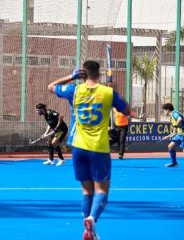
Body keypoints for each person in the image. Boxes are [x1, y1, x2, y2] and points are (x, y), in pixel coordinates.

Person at [48, 60, 130, 240]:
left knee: (86, 190)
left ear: (82, 73)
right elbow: (127, 109)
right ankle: (92, 219)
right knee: (102, 190)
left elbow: (51, 86)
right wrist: (115, 90)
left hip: (79, 147)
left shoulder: (74, 90)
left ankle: (88, 228)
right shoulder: (108, 92)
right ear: (99, 74)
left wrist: (71, 77)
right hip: (99, 148)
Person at [162, 102, 184, 171]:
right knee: (170, 146)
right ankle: (174, 163)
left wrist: (176, 125)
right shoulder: (172, 116)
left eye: (163, 110)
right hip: (180, 134)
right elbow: (175, 131)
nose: (163, 112)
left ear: (167, 110)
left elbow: (179, 119)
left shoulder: (174, 114)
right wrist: (168, 136)